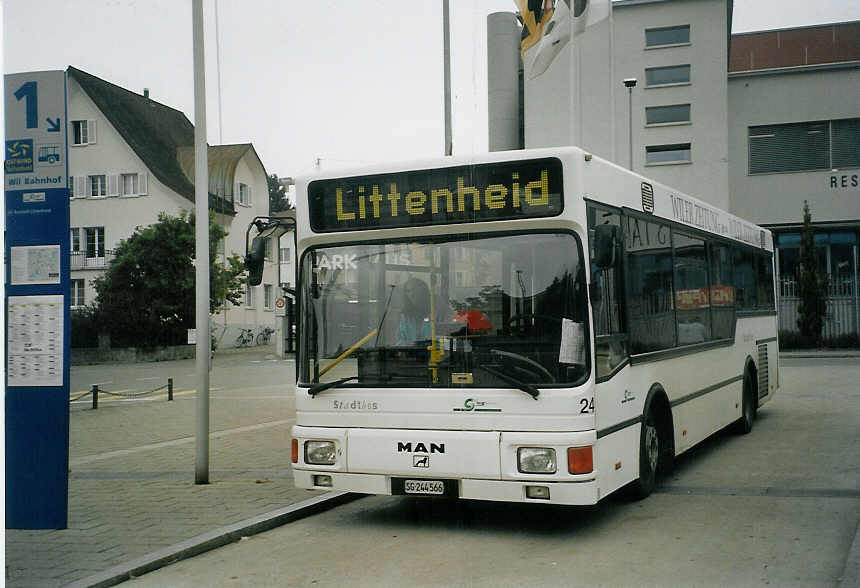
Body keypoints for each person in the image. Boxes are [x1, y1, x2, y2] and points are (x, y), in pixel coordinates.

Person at [397, 277, 432, 345]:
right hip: (411, 353)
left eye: (415, 290)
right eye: (408, 291)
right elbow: (401, 339)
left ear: (423, 290)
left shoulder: (436, 310)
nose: (412, 294)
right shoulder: (405, 316)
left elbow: (446, 335)